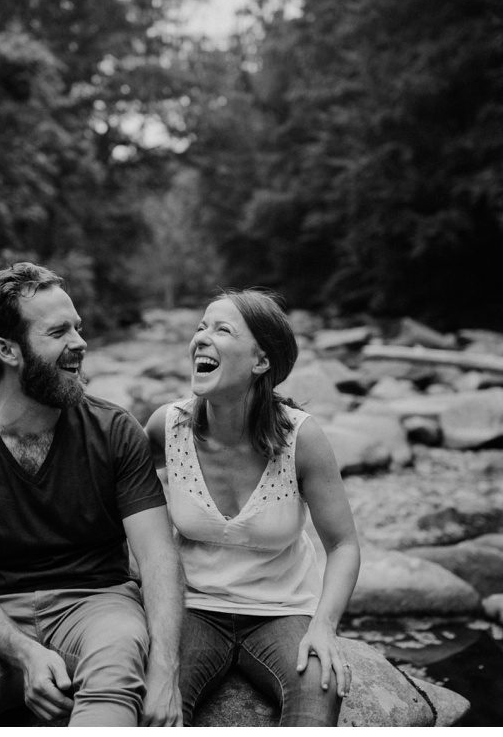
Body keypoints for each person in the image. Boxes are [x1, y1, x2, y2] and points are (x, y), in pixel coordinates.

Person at [0, 262, 184, 727]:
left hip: (99, 604)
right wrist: (25, 653)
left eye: (78, 327)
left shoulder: (115, 430)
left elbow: (158, 557)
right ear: (7, 350)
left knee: (118, 662)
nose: (80, 343)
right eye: (59, 332)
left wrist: (165, 669)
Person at [145, 289, 361, 727]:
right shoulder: (165, 427)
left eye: (221, 329)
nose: (201, 338)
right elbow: (116, 501)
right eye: (201, 327)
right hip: (192, 607)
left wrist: (324, 626)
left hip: (283, 611)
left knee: (322, 690)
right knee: (154, 710)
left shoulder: (302, 439)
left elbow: (343, 546)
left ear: (261, 361)